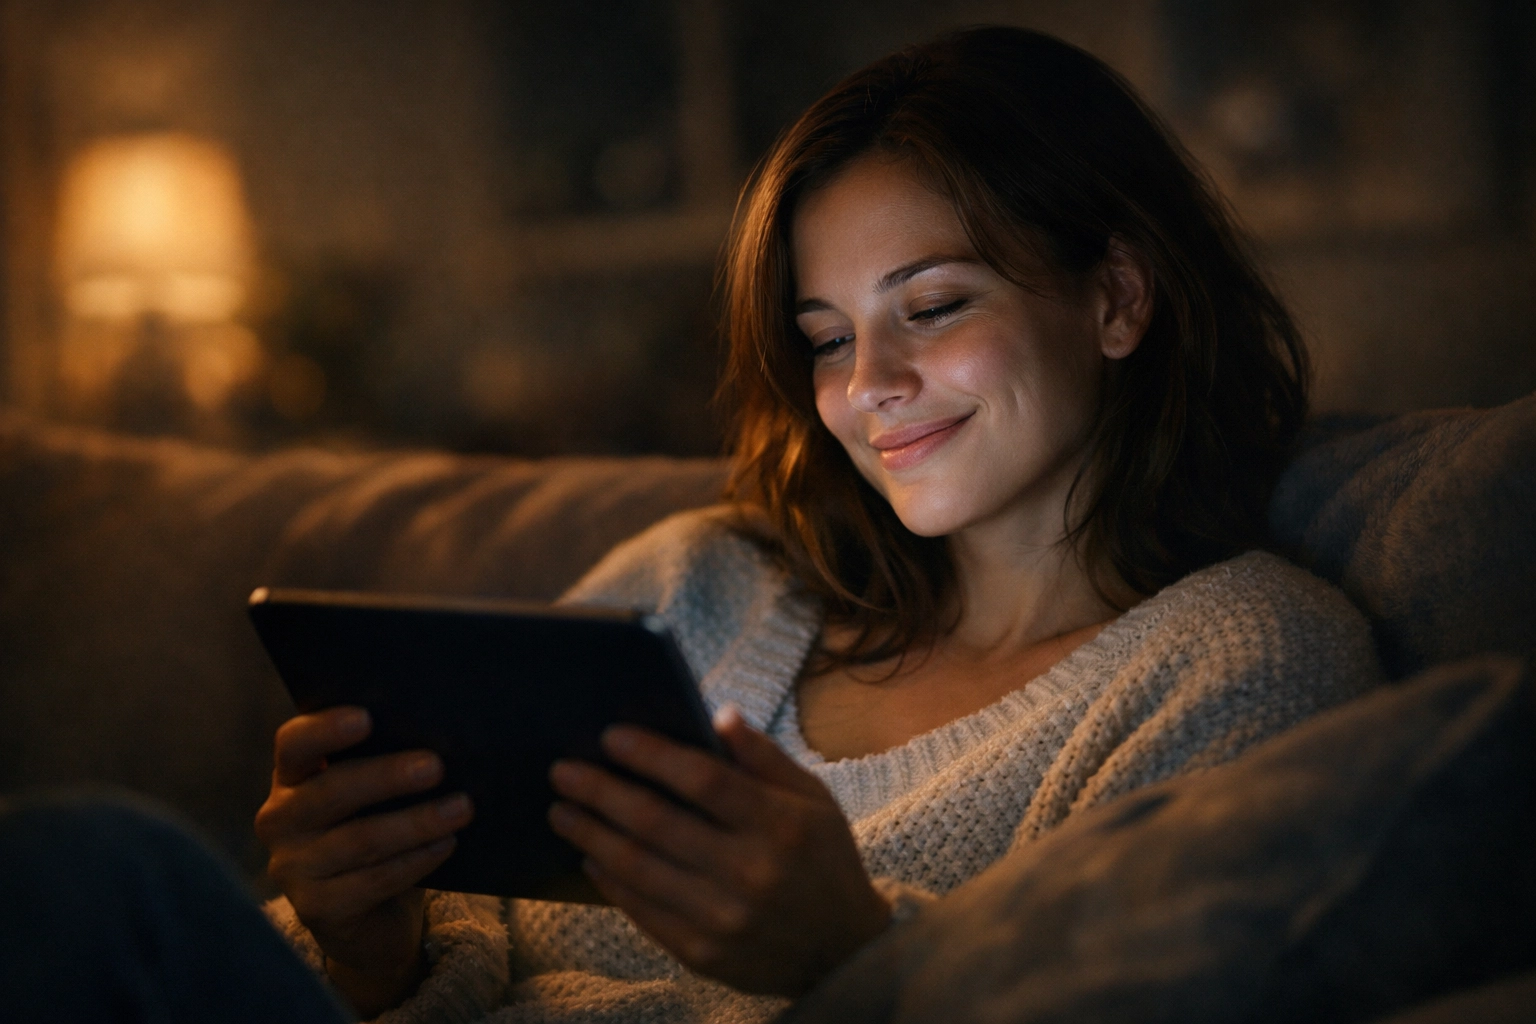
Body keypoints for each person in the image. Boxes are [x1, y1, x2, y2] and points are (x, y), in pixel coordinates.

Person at [255, 25, 1382, 1023]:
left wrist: (852, 957)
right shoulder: (694, 584)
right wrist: (370, 949)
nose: (868, 383)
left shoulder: (1243, 664)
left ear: (1119, 298)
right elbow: (441, 939)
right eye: (829, 338)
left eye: (931, 307)